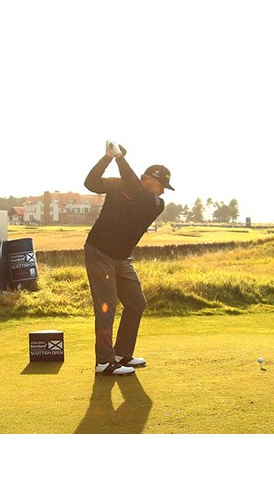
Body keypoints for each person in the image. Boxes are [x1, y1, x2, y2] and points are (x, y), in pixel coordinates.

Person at [84, 141, 174, 376]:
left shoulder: (155, 203)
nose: (164, 191)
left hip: (122, 259)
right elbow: (90, 183)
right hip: (99, 253)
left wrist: (120, 158)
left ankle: (121, 353)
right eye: (162, 185)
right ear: (149, 179)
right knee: (106, 308)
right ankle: (103, 362)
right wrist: (107, 158)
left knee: (136, 303)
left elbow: (136, 192)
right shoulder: (120, 185)